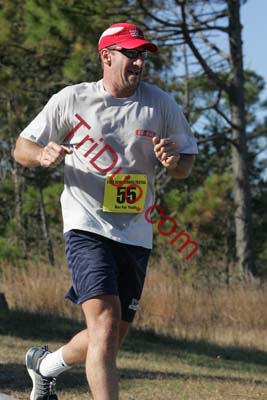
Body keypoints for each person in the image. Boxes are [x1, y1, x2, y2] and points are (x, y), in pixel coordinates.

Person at [13, 22, 198, 400]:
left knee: (110, 337)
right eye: (131, 53)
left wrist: (173, 160)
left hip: (135, 232)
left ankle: (45, 367)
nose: (139, 62)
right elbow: (21, 147)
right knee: (106, 324)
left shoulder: (159, 103)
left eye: (142, 55)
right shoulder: (73, 99)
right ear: (107, 55)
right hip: (86, 225)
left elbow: (186, 165)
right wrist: (42, 153)